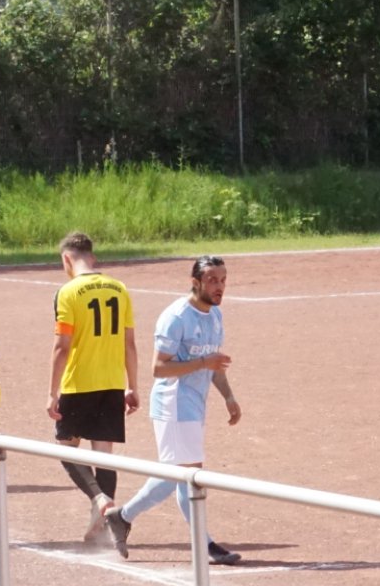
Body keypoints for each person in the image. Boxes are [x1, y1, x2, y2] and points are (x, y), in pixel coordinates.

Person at [103, 256, 244, 565]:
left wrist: (229, 396)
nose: (219, 286)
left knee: (181, 475)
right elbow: (158, 368)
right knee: (187, 475)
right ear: (196, 282)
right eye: (212, 280)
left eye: (223, 280)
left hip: (194, 404)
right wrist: (204, 363)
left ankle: (122, 517)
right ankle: (204, 544)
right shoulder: (176, 317)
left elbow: (214, 363)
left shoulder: (215, 315)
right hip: (173, 403)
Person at [47, 232, 139, 544]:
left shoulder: (68, 292)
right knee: (104, 456)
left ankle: (100, 500)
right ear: (93, 257)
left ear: (66, 259)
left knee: (64, 447)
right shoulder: (119, 288)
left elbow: (62, 347)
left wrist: (52, 392)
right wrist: (132, 386)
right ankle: (103, 521)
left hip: (79, 383)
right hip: (112, 383)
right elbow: (129, 343)